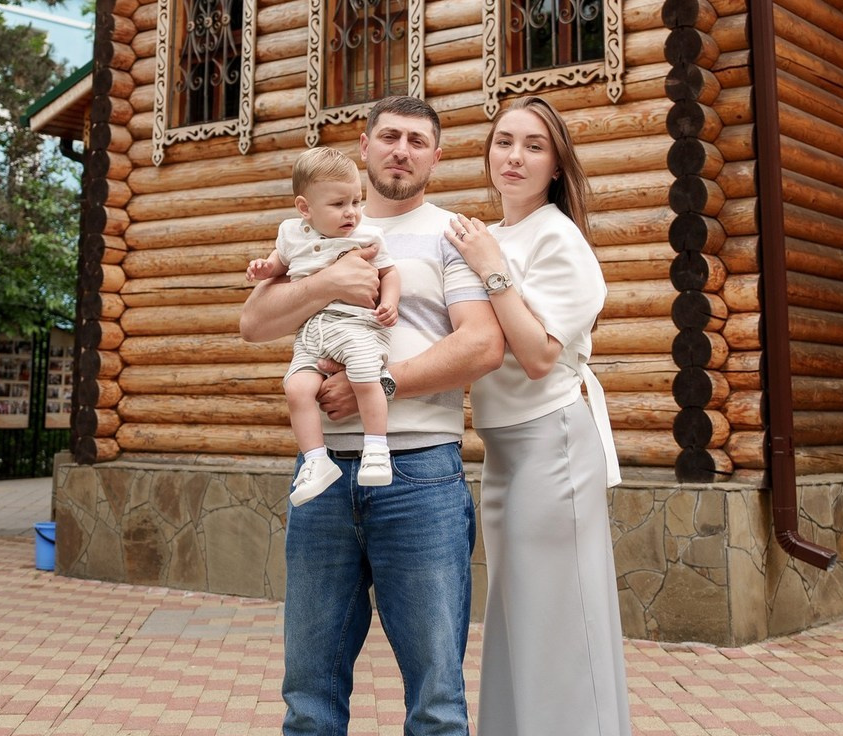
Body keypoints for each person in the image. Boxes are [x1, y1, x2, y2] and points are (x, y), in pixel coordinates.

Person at [239, 94, 504, 736]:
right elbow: (253, 322)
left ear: (436, 158)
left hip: (421, 478)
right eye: (389, 136)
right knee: (309, 696)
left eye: (417, 141)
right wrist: (327, 284)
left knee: (437, 700)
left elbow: (481, 344)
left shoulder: (453, 236)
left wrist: (376, 384)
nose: (401, 150)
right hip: (322, 478)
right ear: (364, 147)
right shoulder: (308, 233)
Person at [446, 94, 632, 736]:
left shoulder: (559, 239)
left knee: (560, 620)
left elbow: (534, 356)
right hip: (503, 452)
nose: (515, 156)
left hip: (551, 444)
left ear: (556, 165)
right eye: (504, 141)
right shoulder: (487, 235)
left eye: (533, 145)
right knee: (517, 614)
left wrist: (493, 271)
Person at [246, 146, 402, 505]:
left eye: (356, 201)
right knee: (296, 388)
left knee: (364, 376)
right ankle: (316, 460)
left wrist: (390, 301)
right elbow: (278, 264)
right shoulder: (290, 233)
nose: (351, 212)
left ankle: (376, 446)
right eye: (338, 205)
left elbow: (389, 272)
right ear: (305, 208)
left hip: (356, 326)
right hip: (312, 333)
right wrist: (264, 269)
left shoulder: (366, 235)